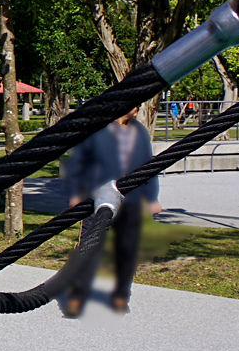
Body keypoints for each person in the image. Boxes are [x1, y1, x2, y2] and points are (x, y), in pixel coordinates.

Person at [62, 106, 163, 317]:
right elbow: (78, 163)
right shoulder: (97, 130)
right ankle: (77, 296)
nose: (137, 109)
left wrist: (152, 198)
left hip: (130, 200)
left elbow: (149, 167)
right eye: (134, 105)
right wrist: (74, 194)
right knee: (89, 247)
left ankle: (120, 296)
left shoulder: (140, 132)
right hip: (97, 200)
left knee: (127, 250)